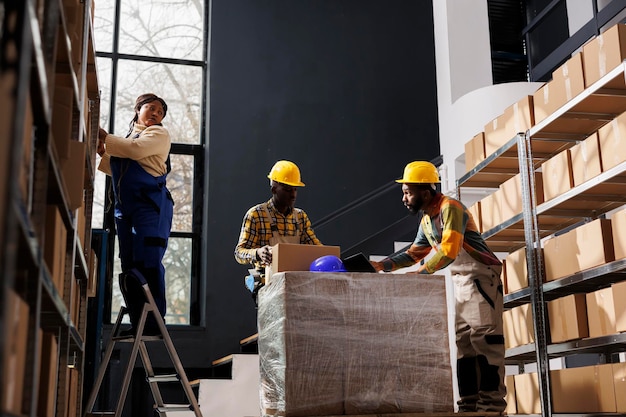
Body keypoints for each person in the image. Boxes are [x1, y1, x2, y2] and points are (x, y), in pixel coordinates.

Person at [370, 161, 506, 413]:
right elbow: (414, 253)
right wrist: (382, 266)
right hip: (462, 283)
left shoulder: (450, 208)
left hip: (481, 278)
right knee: (464, 346)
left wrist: (421, 274)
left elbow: (449, 250)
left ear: (425, 191)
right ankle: (468, 406)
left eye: (407, 192)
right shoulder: (427, 219)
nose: (404, 198)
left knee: (486, 342)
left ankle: (492, 408)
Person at [97, 93, 174, 337]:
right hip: (127, 210)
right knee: (129, 265)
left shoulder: (158, 134)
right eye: (150, 108)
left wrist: (101, 134)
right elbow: (118, 165)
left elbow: (134, 150)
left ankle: (155, 323)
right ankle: (139, 321)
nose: (155, 114)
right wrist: (103, 151)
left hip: (150, 206)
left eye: (160, 112)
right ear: (137, 109)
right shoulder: (131, 136)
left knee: (148, 260)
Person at [234, 160, 322, 295]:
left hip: (297, 285)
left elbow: (317, 249)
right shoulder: (256, 215)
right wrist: (258, 253)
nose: (293, 194)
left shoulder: (300, 217)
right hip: (268, 287)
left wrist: (331, 258)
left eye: (295, 189)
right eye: (287, 190)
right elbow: (239, 253)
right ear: (274, 189)